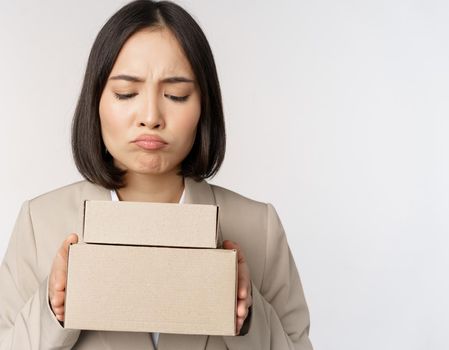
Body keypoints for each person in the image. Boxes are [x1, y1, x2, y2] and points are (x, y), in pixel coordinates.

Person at [0, 1, 313, 349]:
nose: (151, 116)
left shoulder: (259, 227)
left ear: (203, 106)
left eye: (176, 95)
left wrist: (246, 317)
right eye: (126, 93)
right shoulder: (40, 222)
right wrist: (53, 309)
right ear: (96, 101)